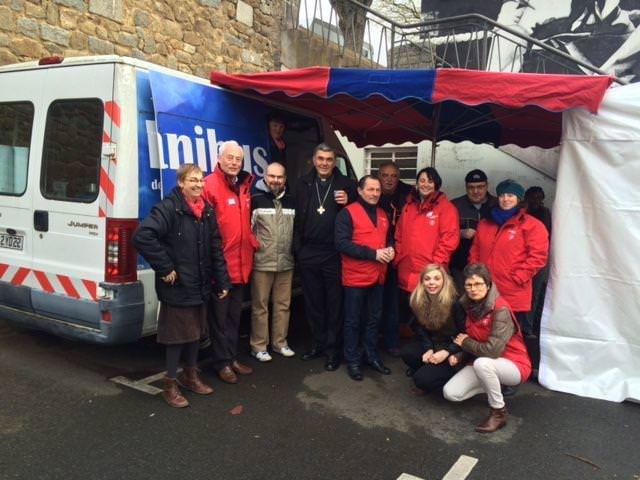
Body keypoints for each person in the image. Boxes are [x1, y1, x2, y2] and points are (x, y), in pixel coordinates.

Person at [133, 164, 231, 408]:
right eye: (192, 180)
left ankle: (190, 376)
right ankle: (170, 384)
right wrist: (165, 268)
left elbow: (215, 248)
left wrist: (222, 280)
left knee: (195, 335)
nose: (198, 184)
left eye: (200, 180)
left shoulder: (206, 211)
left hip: (199, 285)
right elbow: (142, 236)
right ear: (181, 183)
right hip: (178, 287)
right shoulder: (169, 208)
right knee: (176, 338)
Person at [443, 263, 532, 433]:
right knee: (451, 393)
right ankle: (496, 385)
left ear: (488, 284)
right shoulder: (468, 306)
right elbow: (469, 338)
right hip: (485, 362)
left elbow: (492, 351)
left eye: (478, 284)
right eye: (469, 285)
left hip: (514, 363)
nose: (473, 289)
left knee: (483, 364)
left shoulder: (500, 309)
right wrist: (461, 355)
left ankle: (498, 412)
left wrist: (466, 343)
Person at [293, 143, 357, 371]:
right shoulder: (301, 183)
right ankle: (318, 344)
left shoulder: (347, 185)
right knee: (313, 303)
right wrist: (298, 250)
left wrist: (348, 203)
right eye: (320, 158)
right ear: (314, 159)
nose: (324, 163)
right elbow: (296, 219)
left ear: (335, 161)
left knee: (334, 303)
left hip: (333, 253)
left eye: (329, 159)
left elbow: (358, 215)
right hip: (308, 252)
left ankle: (333, 350)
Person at [203, 140, 257, 384]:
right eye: (230, 158)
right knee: (219, 319)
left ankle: (232, 356)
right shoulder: (209, 186)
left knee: (235, 317)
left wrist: (253, 241)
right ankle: (221, 362)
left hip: (241, 265)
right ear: (219, 159)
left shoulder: (244, 186)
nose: (234, 162)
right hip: (221, 267)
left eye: (238, 159)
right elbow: (206, 232)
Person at [469, 179, 549, 336]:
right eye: (502, 195)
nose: (506, 199)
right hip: (485, 288)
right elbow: (475, 250)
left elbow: (538, 256)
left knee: (510, 337)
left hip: (512, 289)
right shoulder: (486, 223)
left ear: (519, 199)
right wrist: (475, 272)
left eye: (511, 195)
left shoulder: (532, 225)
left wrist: (519, 277)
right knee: (485, 333)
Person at [335, 175, 394, 381]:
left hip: (378, 276)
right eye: (370, 189)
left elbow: (389, 239)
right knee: (352, 321)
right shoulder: (347, 213)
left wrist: (391, 250)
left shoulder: (383, 213)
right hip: (355, 278)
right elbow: (342, 244)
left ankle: (371, 355)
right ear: (360, 191)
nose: (375, 193)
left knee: (373, 319)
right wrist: (374, 254)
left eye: (377, 190)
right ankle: (352, 360)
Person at [249, 162, 296, 362]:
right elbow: (248, 230)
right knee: (260, 306)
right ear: (265, 177)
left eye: (280, 177)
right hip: (262, 262)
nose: (275, 180)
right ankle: (259, 346)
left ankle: (280, 343)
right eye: (272, 176)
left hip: (286, 262)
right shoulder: (255, 199)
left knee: (283, 305)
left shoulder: (292, 200)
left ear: (285, 179)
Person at [400, 264, 465, 394]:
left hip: (453, 348)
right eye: (427, 279)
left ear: (444, 281)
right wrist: (428, 348)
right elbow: (420, 329)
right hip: (434, 343)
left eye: (437, 278)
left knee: (422, 380)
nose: (432, 283)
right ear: (422, 282)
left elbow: (465, 334)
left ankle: (448, 377)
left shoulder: (455, 303)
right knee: (408, 352)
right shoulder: (418, 299)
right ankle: (426, 369)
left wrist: (448, 352)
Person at [394, 167, 459, 295]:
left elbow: (449, 240)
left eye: (430, 181)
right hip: (405, 271)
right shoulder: (409, 206)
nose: (425, 185)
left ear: (436, 184)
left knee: (428, 313)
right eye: (422, 181)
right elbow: (399, 234)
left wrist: (435, 267)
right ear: (417, 183)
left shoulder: (446, 208)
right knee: (406, 312)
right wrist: (399, 256)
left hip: (431, 276)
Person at [377, 161, 412, 356]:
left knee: (392, 301)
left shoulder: (407, 196)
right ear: (378, 176)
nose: (389, 179)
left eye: (393, 176)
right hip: (373, 257)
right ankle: (372, 339)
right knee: (373, 302)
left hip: (396, 256)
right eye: (385, 175)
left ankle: (391, 341)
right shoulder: (371, 193)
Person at [450, 169, 497, 289]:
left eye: (480, 187)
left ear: (487, 186)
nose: (475, 191)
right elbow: (442, 233)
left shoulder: (498, 205)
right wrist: (459, 233)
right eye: (471, 187)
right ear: (466, 187)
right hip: (460, 266)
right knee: (461, 302)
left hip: (492, 268)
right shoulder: (454, 205)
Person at [524, 186, 552, 337]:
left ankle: (528, 328)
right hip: (523, 258)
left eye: (539, 198)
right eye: (533, 198)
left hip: (538, 259)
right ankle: (525, 328)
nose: (537, 201)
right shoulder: (522, 212)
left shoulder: (543, 213)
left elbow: (545, 235)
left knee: (534, 294)